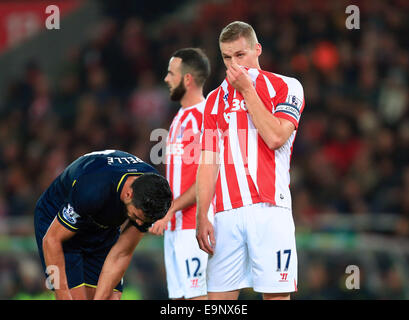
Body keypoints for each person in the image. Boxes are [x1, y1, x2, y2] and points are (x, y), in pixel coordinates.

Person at [196, 21, 305, 300]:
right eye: (227, 58)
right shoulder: (212, 101)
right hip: (225, 216)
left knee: (276, 297)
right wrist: (201, 215)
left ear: (257, 50)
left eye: (240, 55)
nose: (234, 65)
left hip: (269, 209)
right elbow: (208, 161)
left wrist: (247, 90)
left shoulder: (286, 86)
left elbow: (275, 137)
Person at [34, 149, 172, 300]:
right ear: (128, 194)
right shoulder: (93, 189)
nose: (139, 223)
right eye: (137, 217)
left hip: (102, 225)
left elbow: (121, 253)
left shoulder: (153, 195)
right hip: (57, 222)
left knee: (111, 297)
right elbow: (51, 240)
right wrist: (62, 294)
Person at [148, 48, 213, 300]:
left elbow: (209, 178)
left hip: (194, 226)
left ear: (188, 79)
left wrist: (171, 210)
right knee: (180, 300)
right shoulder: (179, 119)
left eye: (171, 73)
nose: (166, 79)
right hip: (175, 227)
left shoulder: (204, 118)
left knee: (198, 299)